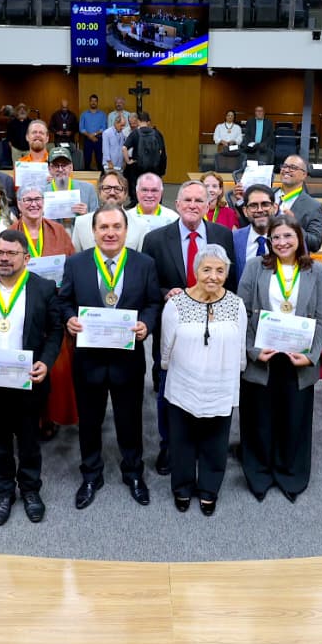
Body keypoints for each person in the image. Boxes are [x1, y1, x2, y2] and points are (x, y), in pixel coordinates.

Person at [59, 206, 161, 509]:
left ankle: (133, 472)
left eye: (116, 226)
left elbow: (154, 302)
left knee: (130, 419)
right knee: (89, 421)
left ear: (126, 231)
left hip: (127, 359)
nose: (110, 233)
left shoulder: (144, 264)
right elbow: (64, 301)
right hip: (88, 358)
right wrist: (69, 320)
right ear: (93, 232)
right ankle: (91, 474)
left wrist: (147, 323)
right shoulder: (76, 264)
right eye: (103, 227)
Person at [0, 230, 64, 526]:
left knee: (29, 441)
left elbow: (56, 330)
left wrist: (46, 361)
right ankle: (4, 492)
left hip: (28, 380)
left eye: (11, 253)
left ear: (26, 258)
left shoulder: (43, 288)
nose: (4, 259)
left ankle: (31, 490)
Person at [142, 180, 240, 474]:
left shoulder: (223, 235)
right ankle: (169, 444)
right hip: (174, 329)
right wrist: (164, 293)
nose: (194, 205)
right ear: (177, 204)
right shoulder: (156, 238)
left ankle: (201, 444)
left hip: (213, 328)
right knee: (168, 387)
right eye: (188, 200)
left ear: (209, 204)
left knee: (208, 385)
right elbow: (148, 285)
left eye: (200, 200)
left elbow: (230, 284)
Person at [238, 214, 322, 503]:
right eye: (275, 237)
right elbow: (241, 314)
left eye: (288, 236)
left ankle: (290, 474)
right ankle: (259, 473)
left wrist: (313, 356)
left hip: (298, 360)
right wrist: (252, 351)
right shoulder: (255, 267)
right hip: (262, 357)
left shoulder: (317, 271)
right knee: (259, 419)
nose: (282, 242)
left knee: (294, 419)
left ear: (299, 239)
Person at [160, 245, 246, 516]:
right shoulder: (176, 304)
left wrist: (237, 374)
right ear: (196, 270)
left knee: (216, 440)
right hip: (184, 382)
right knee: (182, 439)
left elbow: (241, 346)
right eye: (206, 269)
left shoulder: (236, 304)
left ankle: (209, 489)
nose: (213, 276)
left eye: (220, 270)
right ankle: (182, 487)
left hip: (221, 382)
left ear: (227, 273)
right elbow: (166, 349)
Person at [13, 184, 77, 438]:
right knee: (26, 364)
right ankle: (31, 418)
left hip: (54, 308)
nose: (33, 204)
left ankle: (52, 417)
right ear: (18, 205)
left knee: (57, 367)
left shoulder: (58, 230)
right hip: (21, 308)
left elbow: (71, 268)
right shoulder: (10, 233)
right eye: (27, 199)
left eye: (37, 198)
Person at [73, 171, 150, 252]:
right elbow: (75, 258)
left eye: (118, 189)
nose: (112, 192)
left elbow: (142, 261)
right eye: (107, 188)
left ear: (126, 194)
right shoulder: (81, 223)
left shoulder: (141, 225)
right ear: (99, 192)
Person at [275, 155, 322, 252]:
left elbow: (315, 244)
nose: (286, 170)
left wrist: (294, 226)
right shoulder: (267, 195)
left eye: (293, 168)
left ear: (304, 175)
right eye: (284, 166)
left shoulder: (313, 206)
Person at [46, 145, 100, 224]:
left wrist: (87, 215)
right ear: (49, 169)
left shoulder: (88, 189)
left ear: (71, 167)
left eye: (64, 165)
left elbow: (98, 222)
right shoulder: (41, 193)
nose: (60, 169)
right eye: (56, 166)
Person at [233, 184, 276, 264]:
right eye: (253, 205)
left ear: (274, 208)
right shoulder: (234, 239)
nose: (259, 210)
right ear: (245, 211)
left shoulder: (289, 237)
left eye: (265, 204)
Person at [123, 111, 168, 184]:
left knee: (139, 188)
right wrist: (161, 170)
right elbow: (161, 152)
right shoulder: (156, 133)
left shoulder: (135, 133)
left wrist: (128, 161)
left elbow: (124, 148)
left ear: (138, 121)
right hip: (154, 168)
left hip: (138, 168)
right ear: (148, 122)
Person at [79, 93, 107, 170]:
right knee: (87, 160)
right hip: (87, 140)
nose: (93, 103)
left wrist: (94, 134)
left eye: (95, 101)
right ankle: (87, 178)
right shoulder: (84, 114)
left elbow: (104, 128)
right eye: (92, 101)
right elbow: (81, 128)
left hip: (99, 139)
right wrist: (90, 136)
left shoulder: (102, 114)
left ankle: (101, 178)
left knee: (100, 160)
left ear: (97, 102)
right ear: (89, 102)